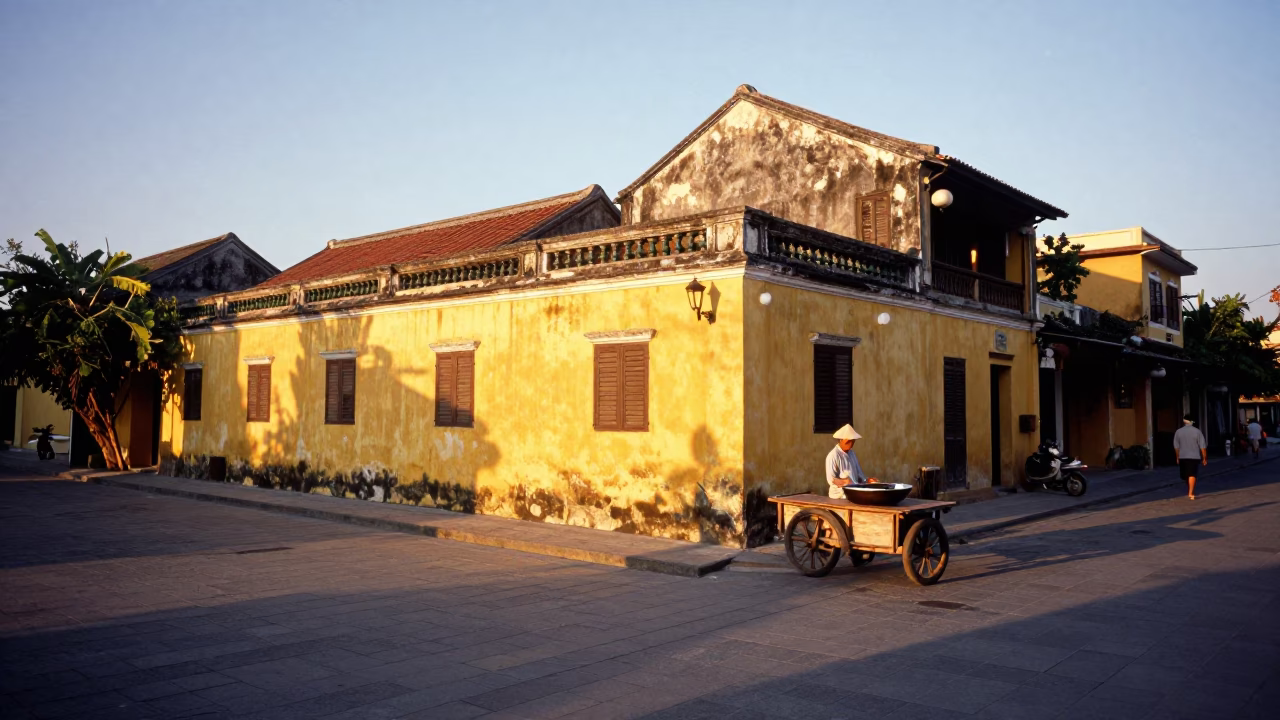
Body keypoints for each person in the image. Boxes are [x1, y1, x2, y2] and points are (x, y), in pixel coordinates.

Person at [826, 424, 876, 499]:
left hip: (853, 492)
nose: (851, 444)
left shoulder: (852, 454)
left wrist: (867, 480)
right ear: (841, 440)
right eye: (848, 441)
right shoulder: (833, 456)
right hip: (839, 496)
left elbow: (859, 475)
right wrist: (845, 482)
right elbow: (831, 480)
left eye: (852, 442)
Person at [1173, 414, 1208, 500]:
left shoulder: (1178, 432)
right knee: (1192, 474)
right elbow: (1202, 446)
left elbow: (1176, 447)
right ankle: (1191, 491)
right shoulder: (1197, 431)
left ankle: (1190, 491)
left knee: (1186, 475)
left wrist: (1177, 457)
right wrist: (1204, 458)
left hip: (1183, 456)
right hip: (1194, 456)